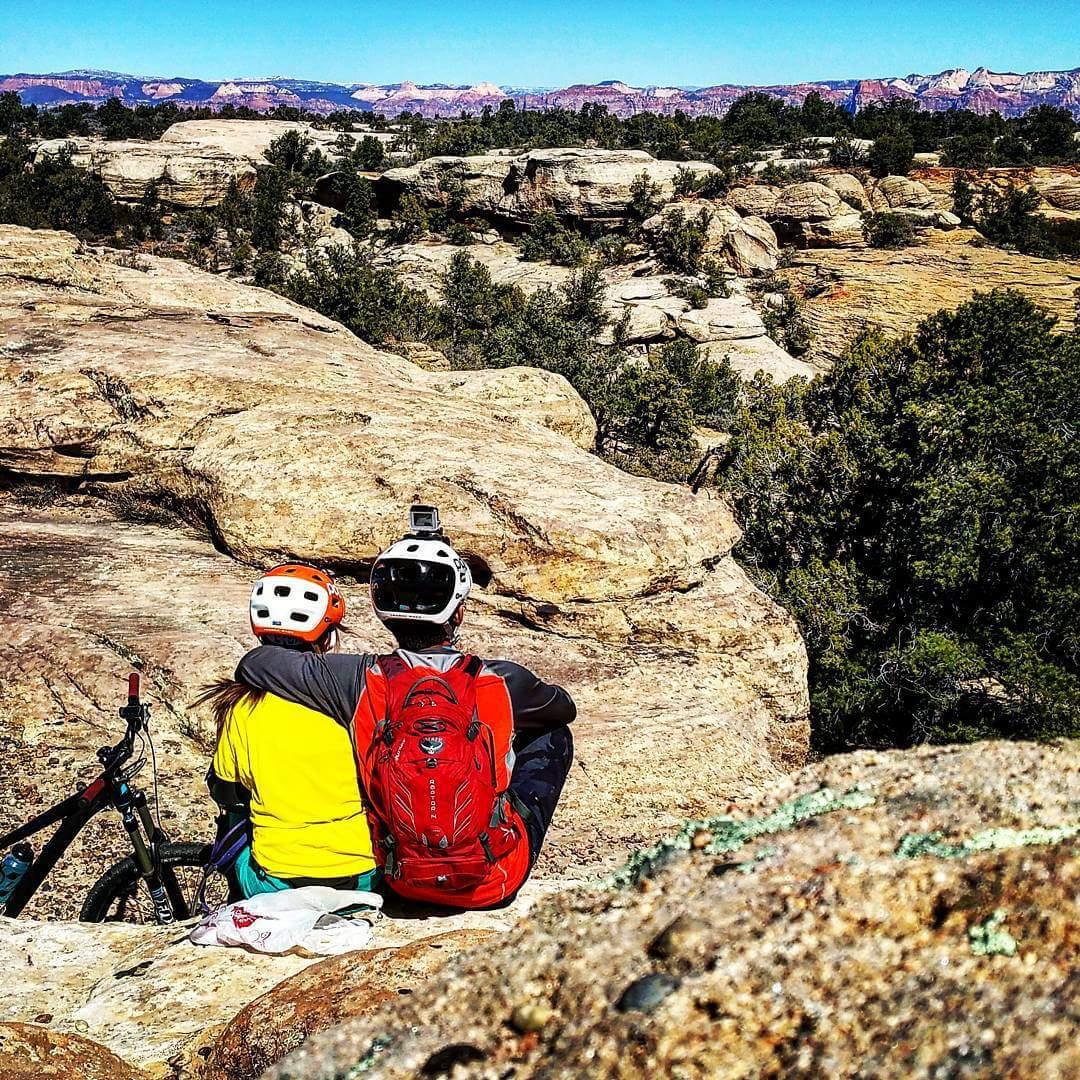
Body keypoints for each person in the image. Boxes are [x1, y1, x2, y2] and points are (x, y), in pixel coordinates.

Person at [233, 507, 575, 909]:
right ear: (458, 611)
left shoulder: (358, 678)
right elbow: (562, 708)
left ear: (382, 612)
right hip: (492, 882)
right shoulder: (501, 680)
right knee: (554, 735)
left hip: (401, 877)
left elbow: (256, 664)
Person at [199, 564, 379, 898]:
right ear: (329, 637)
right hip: (362, 874)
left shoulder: (242, 706)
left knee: (233, 827)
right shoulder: (353, 703)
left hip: (275, 880)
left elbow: (225, 790)